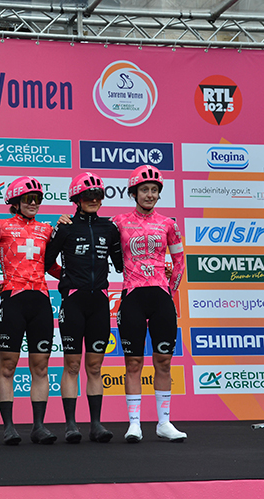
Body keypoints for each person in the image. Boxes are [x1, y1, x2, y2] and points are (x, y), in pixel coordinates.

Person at [0, 176, 61, 445]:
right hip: (13, 300)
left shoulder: (47, 230)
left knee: (41, 366)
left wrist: (74, 278)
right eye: (28, 199)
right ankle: (9, 427)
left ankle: (39, 426)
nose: (33, 203)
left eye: (38, 199)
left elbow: (51, 266)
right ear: (14, 202)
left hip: (41, 300)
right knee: (7, 365)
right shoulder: (0, 227)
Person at [44, 172, 122, 444]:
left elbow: (122, 264)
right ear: (76, 198)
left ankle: (96, 424)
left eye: (98, 195)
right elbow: (45, 262)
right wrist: (67, 278)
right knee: (72, 364)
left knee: (95, 366)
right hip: (74, 301)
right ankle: (70, 425)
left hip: (99, 301)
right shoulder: (65, 227)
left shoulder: (109, 228)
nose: (93, 199)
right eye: (87, 195)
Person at [113, 165, 186, 443]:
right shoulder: (118, 222)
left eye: (154, 190)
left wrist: (169, 289)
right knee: (133, 362)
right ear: (134, 193)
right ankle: (134, 424)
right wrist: (68, 222)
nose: (150, 194)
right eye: (144, 190)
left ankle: (164, 423)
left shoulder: (169, 224)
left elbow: (179, 261)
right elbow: (93, 235)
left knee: (163, 361)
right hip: (132, 296)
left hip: (160, 297)